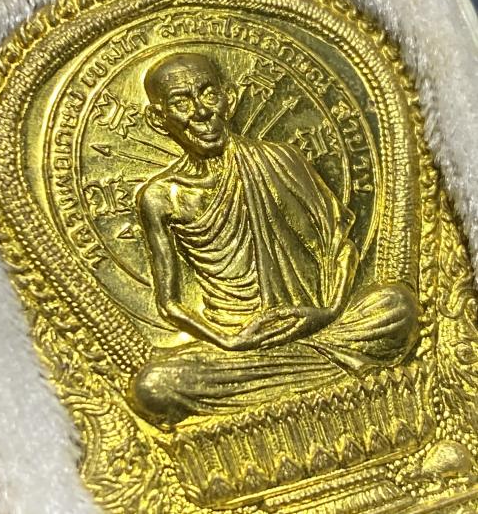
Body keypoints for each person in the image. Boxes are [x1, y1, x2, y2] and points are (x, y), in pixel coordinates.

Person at [130, 52, 418, 426]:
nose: (201, 112)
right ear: (158, 118)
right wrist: (229, 341)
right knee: (153, 387)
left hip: (316, 320)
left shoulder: (281, 159)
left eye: (209, 94)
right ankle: (329, 367)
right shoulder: (159, 197)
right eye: (182, 102)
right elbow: (169, 304)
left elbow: (340, 247)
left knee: (397, 306)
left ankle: (295, 372)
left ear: (229, 99)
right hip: (238, 343)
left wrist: (329, 311)